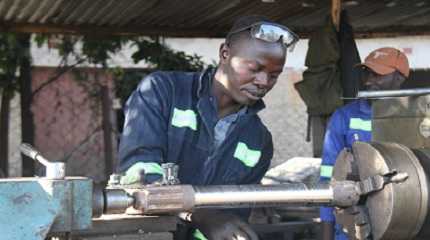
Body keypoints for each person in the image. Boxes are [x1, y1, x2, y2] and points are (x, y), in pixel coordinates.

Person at [117, 16, 299, 240]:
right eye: (255, 68)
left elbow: (230, 218)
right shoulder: (162, 91)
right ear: (225, 54)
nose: (263, 81)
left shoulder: (259, 141)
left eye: (274, 75)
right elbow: (138, 176)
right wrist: (200, 215)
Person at [319, 47, 410, 240]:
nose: (368, 81)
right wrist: (327, 234)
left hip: (407, 221)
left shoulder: (417, 119)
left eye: (378, 75)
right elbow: (328, 177)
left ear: (399, 78)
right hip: (353, 227)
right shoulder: (343, 117)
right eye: (367, 73)